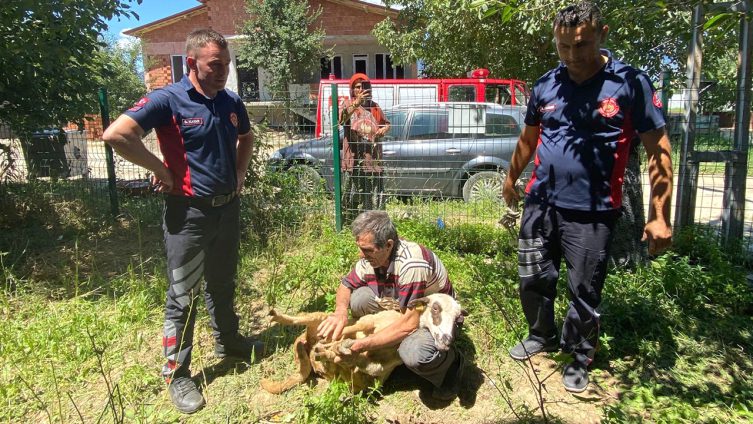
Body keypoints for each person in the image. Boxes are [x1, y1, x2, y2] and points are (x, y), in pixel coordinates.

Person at [502, 2, 673, 393]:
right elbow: (529, 138)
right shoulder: (547, 84)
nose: (572, 56)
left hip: (593, 211)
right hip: (540, 203)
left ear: (602, 35)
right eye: (563, 46)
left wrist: (659, 215)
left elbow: (658, 148)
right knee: (533, 277)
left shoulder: (630, 83)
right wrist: (511, 178)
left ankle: (579, 355)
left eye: (581, 45)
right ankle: (540, 334)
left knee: (584, 288)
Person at [102, 29, 263, 414]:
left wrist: (240, 176)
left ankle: (229, 342)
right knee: (182, 295)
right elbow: (117, 134)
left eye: (226, 63)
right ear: (192, 62)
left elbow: (246, 137)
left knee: (223, 282)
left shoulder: (230, 101)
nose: (224, 70)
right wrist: (161, 168)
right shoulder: (168, 99)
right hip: (187, 214)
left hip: (227, 209)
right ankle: (177, 374)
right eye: (215, 64)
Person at [316, 210, 464, 400]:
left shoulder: (412, 265)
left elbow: (408, 324)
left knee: (413, 352)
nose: (361, 254)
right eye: (359, 247)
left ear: (388, 245)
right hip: (403, 307)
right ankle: (390, 355)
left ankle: (451, 366)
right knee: (359, 299)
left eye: (367, 250)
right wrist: (340, 312)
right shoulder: (372, 257)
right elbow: (346, 285)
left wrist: (362, 345)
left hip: (433, 319)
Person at [339, 74, 391, 220]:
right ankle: (349, 220)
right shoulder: (348, 104)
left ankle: (373, 222)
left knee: (372, 195)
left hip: (372, 160)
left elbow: (386, 123)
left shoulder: (374, 106)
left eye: (364, 86)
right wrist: (357, 103)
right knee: (352, 194)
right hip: (354, 159)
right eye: (357, 87)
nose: (361, 89)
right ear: (352, 90)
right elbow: (341, 119)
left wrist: (383, 130)